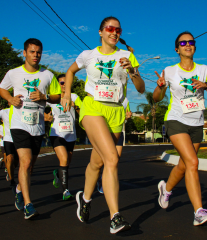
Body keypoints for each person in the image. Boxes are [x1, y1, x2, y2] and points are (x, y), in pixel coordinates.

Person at [62, 16, 145, 234]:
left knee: (97, 163)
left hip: (115, 111)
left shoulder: (127, 56)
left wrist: (133, 71)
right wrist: (66, 94)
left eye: (118, 30)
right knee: (112, 158)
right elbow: (70, 72)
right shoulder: (88, 55)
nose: (114, 32)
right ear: (101, 32)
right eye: (110, 28)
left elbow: (141, 88)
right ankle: (115, 217)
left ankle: (85, 199)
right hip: (93, 107)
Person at [153, 31, 207, 226]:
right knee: (192, 162)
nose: (187, 45)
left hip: (197, 122)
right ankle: (198, 212)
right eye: (183, 43)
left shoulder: (204, 70)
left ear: (194, 47)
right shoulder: (170, 71)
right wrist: (160, 87)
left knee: (184, 165)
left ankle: (166, 189)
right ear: (177, 49)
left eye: (191, 42)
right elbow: (156, 98)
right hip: (176, 119)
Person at [0, 38, 61, 219]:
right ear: (24, 53)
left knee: (30, 165)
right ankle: (28, 205)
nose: (36, 55)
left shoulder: (48, 75)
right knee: (25, 162)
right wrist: (10, 99)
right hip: (18, 124)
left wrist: (45, 96)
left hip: (37, 125)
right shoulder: (13, 73)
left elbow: (57, 96)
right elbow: (2, 89)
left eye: (39, 52)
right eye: (32, 52)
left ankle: (19, 189)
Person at [47, 74, 82, 200]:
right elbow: (42, 112)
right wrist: (46, 117)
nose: (64, 85)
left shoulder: (74, 97)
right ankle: (65, 191)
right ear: (57, 85)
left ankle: (57, 174)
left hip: (71, 134)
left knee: (66, 163)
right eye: (61, 83)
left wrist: (75, 106)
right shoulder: (52, 99)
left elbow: (83, 111)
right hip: (57, 133)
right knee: (64, 159)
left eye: (66, 82)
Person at [96, 97, 132, 194]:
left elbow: (125, 114)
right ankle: (101, 179)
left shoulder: (126, 100)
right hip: (105, 131)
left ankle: (103, 178)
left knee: (116, 158)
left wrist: (127, 116)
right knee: (102, 159)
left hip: (118, 131)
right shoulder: (106, 95)